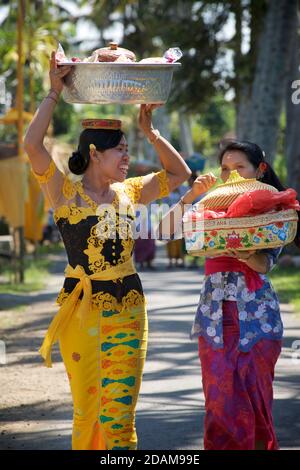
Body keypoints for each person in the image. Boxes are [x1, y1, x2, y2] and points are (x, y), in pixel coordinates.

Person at [24, 50, 191, 451]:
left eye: (128, 149)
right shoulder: (63, 192)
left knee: (120, 410)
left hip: (128, 307)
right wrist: (53, 93)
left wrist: (149, 130)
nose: (128, 158)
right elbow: (32, 144)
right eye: (120, 149)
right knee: (87, 408)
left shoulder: (130, 191)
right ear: (95, 154)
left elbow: (179, 174)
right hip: (80, 310)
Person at [158, 139, 299, 450]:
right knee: (220, 406)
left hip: (258, 320)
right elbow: (165, 230)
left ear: (260, 171)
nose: (231, 174)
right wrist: (192, 195)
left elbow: (264, 264)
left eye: (240, 167)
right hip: (214, 321)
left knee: (256, 404)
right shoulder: (208, 209)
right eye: (225, 168)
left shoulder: (274, 211)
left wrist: (243, 249)